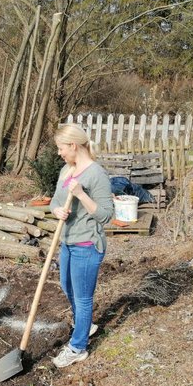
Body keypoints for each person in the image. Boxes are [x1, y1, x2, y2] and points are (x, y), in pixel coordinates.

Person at [49, 124, 114, 368]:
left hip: (87, 245)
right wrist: (56, 209)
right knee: (67, 287)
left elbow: (107, 215)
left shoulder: (96, 175)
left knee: (83, 297)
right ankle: (86, 325)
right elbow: (54, 201)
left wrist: (81, 195)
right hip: (66, 242)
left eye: (61, 148)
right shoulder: (67, 170)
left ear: (74, 146)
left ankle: (78, 347)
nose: (59, 153)